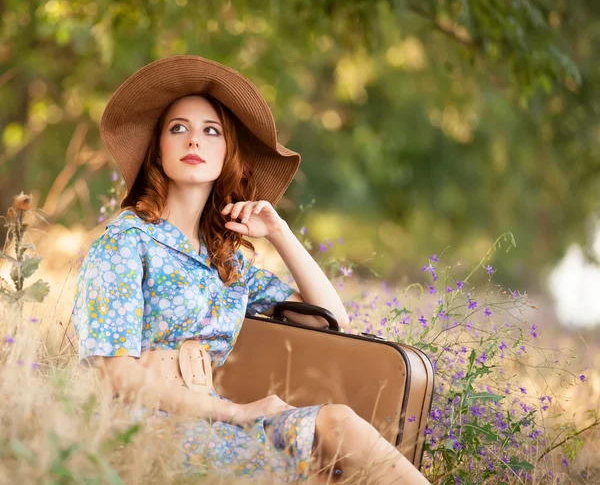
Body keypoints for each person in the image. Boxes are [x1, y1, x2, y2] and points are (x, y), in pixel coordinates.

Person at [71, 55, 428, 484]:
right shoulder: (125, 241)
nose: (193, 142)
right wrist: (238, 411)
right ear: (157, 148)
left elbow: (333, 319)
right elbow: (118, 378)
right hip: (149, 423)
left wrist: (279, 232)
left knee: (338, 422)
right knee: (311, 474)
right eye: (178, 128)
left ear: (227, 154)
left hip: (214, 420)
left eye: (211, 131)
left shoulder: (226, 262)